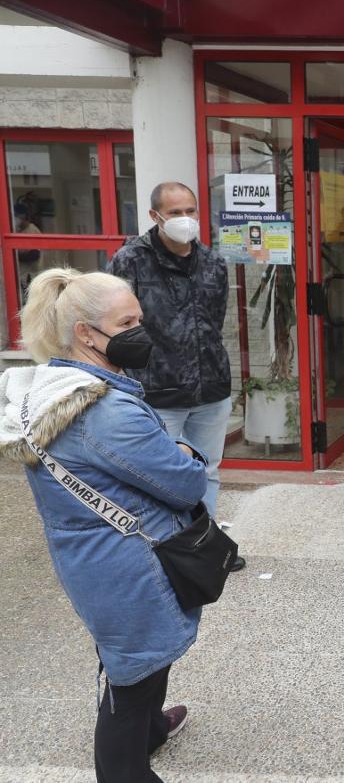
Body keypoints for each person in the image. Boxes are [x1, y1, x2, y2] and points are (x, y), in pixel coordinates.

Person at [0, 269, 209, 782]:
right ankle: (124, 771)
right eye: (128, 321)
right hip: (128, 567)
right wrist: (186, 451)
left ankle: (154, 730)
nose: (143, 329)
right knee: (132, 677)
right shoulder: (107, 412)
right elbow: (185, 484)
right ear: (86, 335)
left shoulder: (51, 392)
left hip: (94, 559)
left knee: (139, 657)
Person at [106, 182, 244, 571]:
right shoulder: (129, 261)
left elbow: (214, 323)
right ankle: (169, 550)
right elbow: (118, 325)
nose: (186, 220)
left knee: (208, 470)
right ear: (155, 216)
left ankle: (206, 546)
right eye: (176, 212)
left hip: (210, 386)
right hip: (158, 390)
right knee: (163, 476)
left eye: (191, 211)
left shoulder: (213, 263)